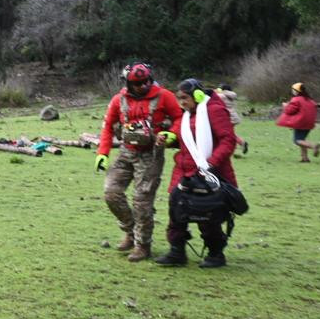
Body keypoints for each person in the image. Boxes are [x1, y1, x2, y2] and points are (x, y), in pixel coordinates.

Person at [96, 62, 184, 261]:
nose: (144, 86)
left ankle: (143, 245)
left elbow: (180, 118)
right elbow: (108, 126)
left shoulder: (164, 96)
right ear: (128, 83)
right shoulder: (118, 100)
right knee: (111, 193)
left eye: (146, 81)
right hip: (126, 151)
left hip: (151, 154)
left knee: (142, 202)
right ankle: (130, 231)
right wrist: (103, 152)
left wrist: (170, 135)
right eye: (138, 83)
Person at [156, 79, 238, 268]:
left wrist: (210, 164)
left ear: (197, 95)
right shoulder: (186, 115)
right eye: (179, 99)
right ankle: (177, 252)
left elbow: (228, 140)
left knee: (208, 214)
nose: (182, 102)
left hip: (209, 173)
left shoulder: (215, 111)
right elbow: (186, 141)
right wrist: (169, 139)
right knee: (176, 212)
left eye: (185, 98)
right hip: (184, 171)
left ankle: (216, 254)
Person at [276, 82, 320, 162]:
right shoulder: (309, 99)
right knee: (302, 139)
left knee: (297, 140)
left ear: (296, 91)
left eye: (293, 90)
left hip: (301, 122)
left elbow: (289, 111)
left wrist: (286, 106)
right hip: (309, 123)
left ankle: (313, 146)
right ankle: (305, 158)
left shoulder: (296, 99)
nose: (292, 91)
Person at [215, 84, 248, 154]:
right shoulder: (231, 96)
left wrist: (216, 91)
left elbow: (214, 96)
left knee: (228, 135)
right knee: (230, 134)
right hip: (234, 117)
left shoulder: (222, 96)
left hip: (227, 117)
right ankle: (237, 146)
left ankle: (241, 143)